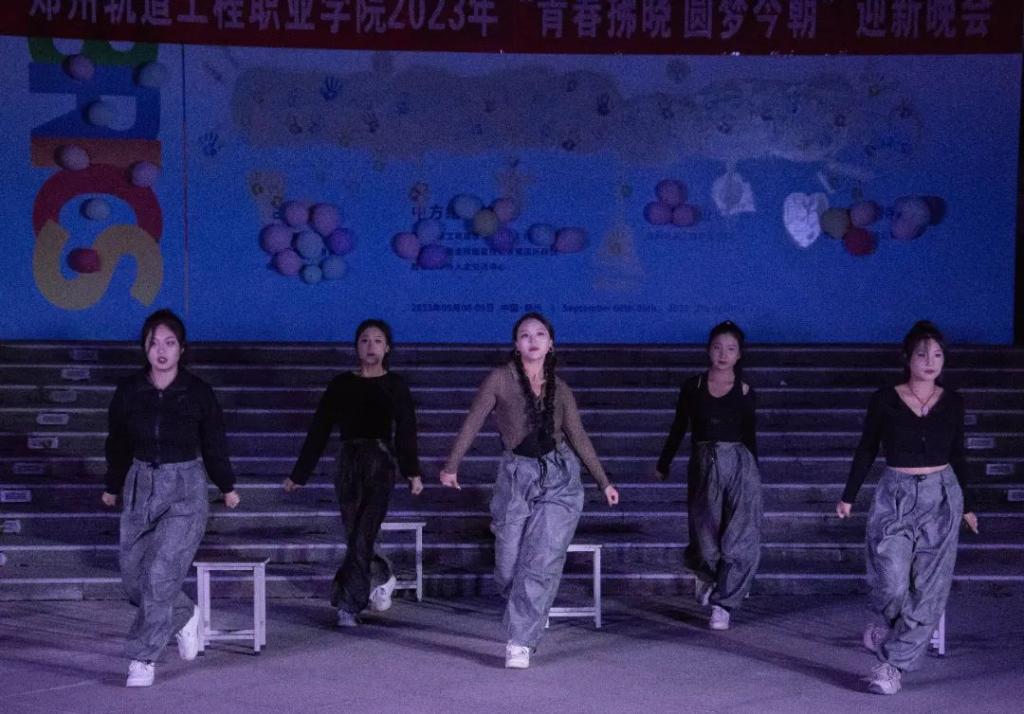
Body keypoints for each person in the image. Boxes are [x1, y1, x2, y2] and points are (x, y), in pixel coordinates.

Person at [440, 312, 619, 669]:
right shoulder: (499, 379)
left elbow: (578, 436)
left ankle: (520, 640)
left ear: (551, 343)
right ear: (515, 343)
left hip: (559, 479)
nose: (533, 340)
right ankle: (532, 609)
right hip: (516, 477)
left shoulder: (560, 388)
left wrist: (604, 481)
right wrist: (451, 465)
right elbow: (474, 420)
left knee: (541, 559)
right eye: (525, 335)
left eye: (540, 334)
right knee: (508, 567)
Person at [836, 320, 978, 695]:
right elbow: (867, 447)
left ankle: (891, 667)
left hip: (941, 496)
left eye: (937, 355)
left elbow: (959, 454)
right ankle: (889, 626)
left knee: (929, 590)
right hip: (895, 495)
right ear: (907, 358)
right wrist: (849, 495)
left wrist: (968, 505)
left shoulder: (953, 401)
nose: (930, 362)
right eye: (922, 354)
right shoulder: (885, 398)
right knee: (891, 579)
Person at [102, 309, 241, 688]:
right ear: (144, 348)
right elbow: (117, 442)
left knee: (162, 573)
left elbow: (214, 442)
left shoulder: (198, 392)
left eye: (169, 343)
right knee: (134, 576)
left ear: (182, 349)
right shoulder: (129, 391)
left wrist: (226, 486)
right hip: (140, 483)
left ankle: (143, 657)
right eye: (154, 343)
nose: (161, 350)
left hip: (185, 488)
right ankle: (185, 614)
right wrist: (113, 485)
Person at [284, 319, 423, 627]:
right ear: (356, 347)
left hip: (380, 462)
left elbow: (407, 431)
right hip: (348, 463)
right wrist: (299, 474)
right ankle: (382, 576)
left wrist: (412, 472)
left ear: (387, 348)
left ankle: (348, 604)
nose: (370, 346)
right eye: (364, 340)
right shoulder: (341, 384)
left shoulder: (395, 385)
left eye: (377, 340)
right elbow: (319, 429)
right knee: (354, 534)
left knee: (363, 533)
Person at [655, 320, 761, 631]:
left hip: (740, 465)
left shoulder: (745, 390)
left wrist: (755, 472)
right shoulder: (693, 387)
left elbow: (750, 436)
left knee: (739, 537)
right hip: (704, 464)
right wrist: (664, 463)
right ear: (708, 350)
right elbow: (679, 426)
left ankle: (723, 605)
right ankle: (710, 578)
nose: (723, 354)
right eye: (717, 347)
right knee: (704, 537)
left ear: (739, 354)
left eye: (730, 349)